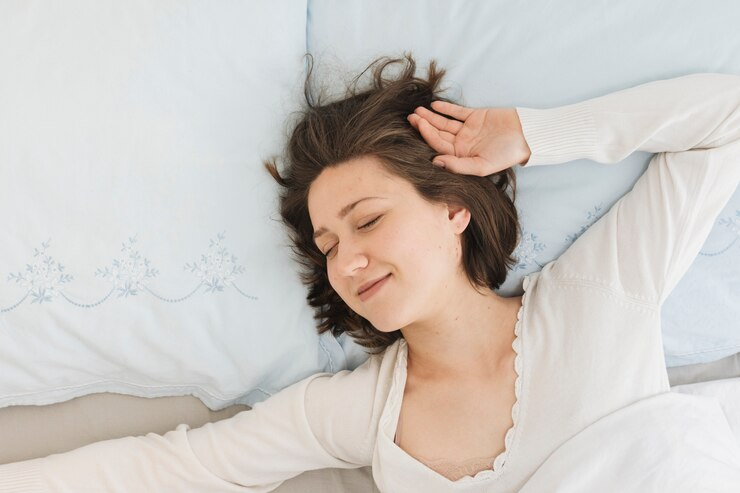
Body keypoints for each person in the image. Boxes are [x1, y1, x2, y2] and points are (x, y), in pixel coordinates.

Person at [1, 54, 739, 492]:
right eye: (325, 243)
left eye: (368, 218)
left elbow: (728, 116)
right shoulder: (357, 412)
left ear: (454, 205)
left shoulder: (597, 296)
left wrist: (531, 133)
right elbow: (169, 468)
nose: (345, 261)